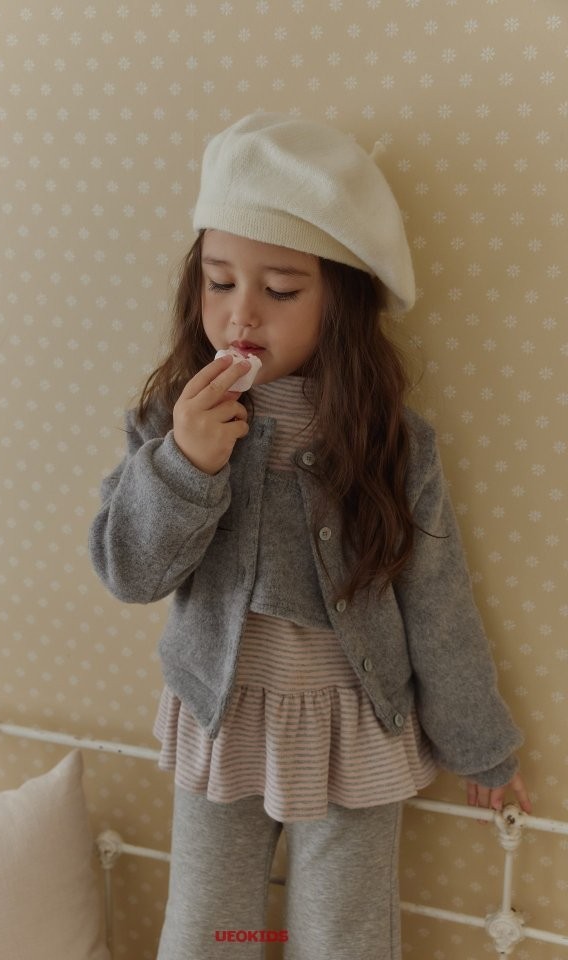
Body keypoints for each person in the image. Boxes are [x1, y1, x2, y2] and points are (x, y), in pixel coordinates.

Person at [88, 112, 531, 960]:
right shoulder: (169, 420)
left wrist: (482, 747)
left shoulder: (392, 442)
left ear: (342, 300)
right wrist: (185, 464)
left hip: (351, 729)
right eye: (219, 282)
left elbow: (437, 602)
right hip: (221, 718)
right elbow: (128, 572)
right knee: (211, 933)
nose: (241, 315)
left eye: (282, 290)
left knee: (342, 940)